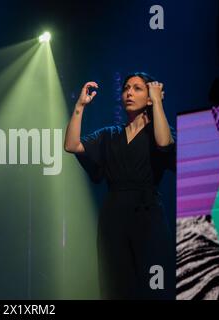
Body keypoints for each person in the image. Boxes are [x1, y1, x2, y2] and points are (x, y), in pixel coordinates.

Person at [64, 72, 175, 299]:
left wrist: (158, 103)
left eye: (137, 88)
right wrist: (80, 106)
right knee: (116, 286)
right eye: (126, 88)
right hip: (114, 216)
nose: (129, 93)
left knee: (154, 285)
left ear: (150, 97)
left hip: (147, 215)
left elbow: (164, 143)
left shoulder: (157, 132)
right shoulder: (110, 135)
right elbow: (72, 144)